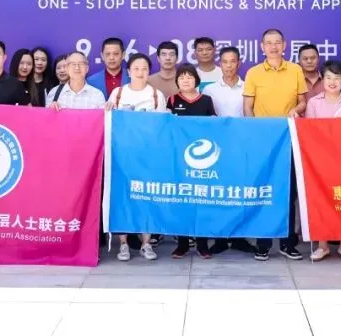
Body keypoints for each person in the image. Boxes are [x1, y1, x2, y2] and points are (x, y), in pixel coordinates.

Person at [243, 28, 306, 261]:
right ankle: (263, 243)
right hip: (263, 141)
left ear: (284, 45)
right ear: (262, 47)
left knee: (288, 192)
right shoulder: (254, 73)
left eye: (277, 42)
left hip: (288, 138)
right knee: (264, 191)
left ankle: (288, 243)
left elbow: (303, 101)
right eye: (268, 43)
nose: (273, 47)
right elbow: (247, 107)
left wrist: (296, 109)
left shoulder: (295, 70)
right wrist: (254, 133)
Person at [104, 53, 163, 261]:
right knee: (122, 198)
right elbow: (108, 121)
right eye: (136, 68)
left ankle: (146, 243)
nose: (140, 72)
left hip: (147, 156)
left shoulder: (156, 94)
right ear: (128, 71)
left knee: (147, 197)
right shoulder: (118, 93)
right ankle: (124, 244)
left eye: (144, 68)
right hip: (122, 155)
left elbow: (161, 126)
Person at [305, 60, 341, 262]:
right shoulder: (314, 103)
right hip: (320, 162)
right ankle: (322, 246)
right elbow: (309, 132)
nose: (332, 82)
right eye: (328, 77)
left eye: (336, 78)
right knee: (321, 202)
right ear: (322, 79)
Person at [203, 46, 256, 255]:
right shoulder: (210, 90)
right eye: (224, 62)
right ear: (220, 64)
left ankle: (239, 237)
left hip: (243, 145)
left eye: (232, 61)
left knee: (240, 191)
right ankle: (221, 237)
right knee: (220, 191)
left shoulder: (248, 87)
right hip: (218, 147)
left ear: (239, 63)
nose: (228, 66)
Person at [168, 64, 217, 259]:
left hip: (202, 159)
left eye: (189, 77)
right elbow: (166, 127)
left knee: (201, 201)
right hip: (179, 159)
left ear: (196, 80)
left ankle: (202, 244)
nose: (185, 80)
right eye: (181, 77)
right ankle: (182, 244)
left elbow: (215, 125)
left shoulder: (206, 100)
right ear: (177, 81)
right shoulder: (172, 100)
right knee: (181, 201)